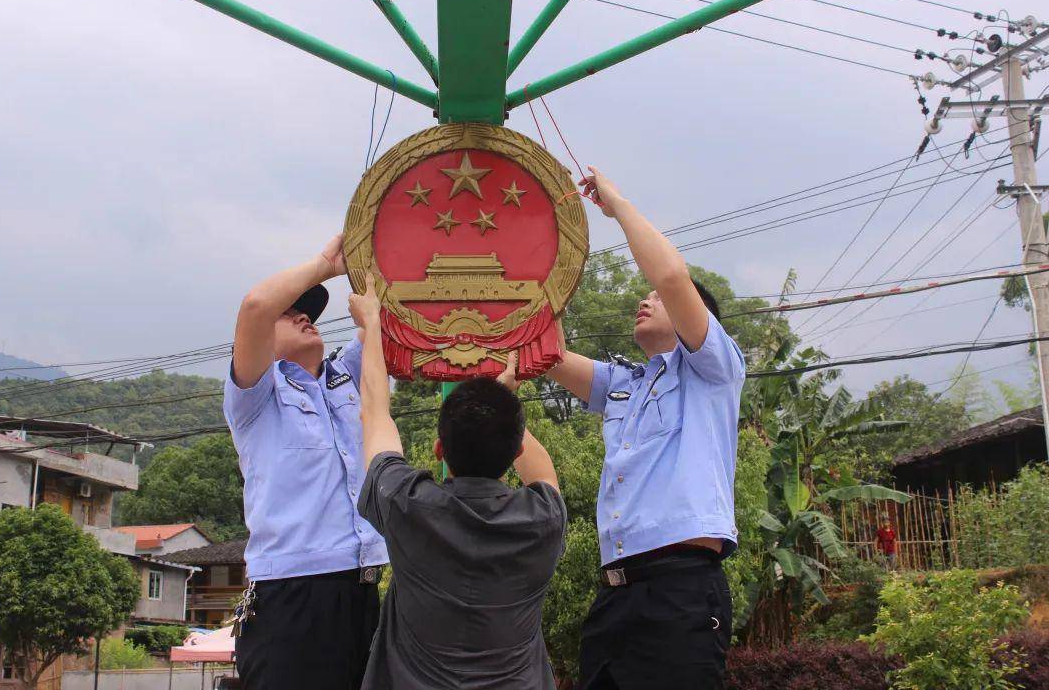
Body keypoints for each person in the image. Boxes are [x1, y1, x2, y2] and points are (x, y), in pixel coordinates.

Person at [546, 167, 746, 689]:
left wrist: (614, 204)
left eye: (654, 299)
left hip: (680, 589)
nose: (646, 299)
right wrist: (548, 264)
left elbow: (672, 278)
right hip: (615, 592)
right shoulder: (624, 385)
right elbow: (550, 355)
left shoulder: (712, 371)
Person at [348, 275, 567, 689]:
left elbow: (374, 414)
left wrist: (374, 324)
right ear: (517, 451)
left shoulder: (405, 504)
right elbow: (543, 472)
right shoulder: (542, 519)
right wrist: (499, 400)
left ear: (438, 450)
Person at [223, 235, 386, 690]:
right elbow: (256, 305)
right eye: (290, 312)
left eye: (308, 312)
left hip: (363, 587)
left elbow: (382, 316)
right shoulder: (257, 395)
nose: (304, 317)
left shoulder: (343, 378)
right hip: (294, 595)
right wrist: (324, 265)